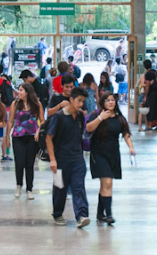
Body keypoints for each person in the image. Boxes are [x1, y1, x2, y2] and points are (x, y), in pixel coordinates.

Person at [85, 92, 135, 224]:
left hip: (112, 154)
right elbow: (88, 128)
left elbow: (126, 133)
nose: (111, 102)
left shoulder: (119, 118)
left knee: (104, 184)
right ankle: (109, 214)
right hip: (98, 154)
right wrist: (100, 118)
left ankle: (100, 213)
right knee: (107, 183)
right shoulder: (96, 115)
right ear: (102, 103)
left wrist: (131, 147)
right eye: (107, 100)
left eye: (112, 100)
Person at [46, 87, 90, 228]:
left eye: (83, 101)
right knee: (60, 188)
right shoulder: (58, 117)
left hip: (77, 158)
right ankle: (57, 213)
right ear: (71, 100)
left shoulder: (81, 116)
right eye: (79, 101)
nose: (81, 104)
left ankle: (81, 215)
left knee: (78, 187)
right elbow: (48, 138)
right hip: (60, 159)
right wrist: (52, 159)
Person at [7, 83, 44, 200]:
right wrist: (7, 136)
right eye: (19, 90)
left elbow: (42, 121)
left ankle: (29, 189)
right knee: (19, 162)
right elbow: (10, 121)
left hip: (32, 137)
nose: (19, 92)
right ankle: (18, 185)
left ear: (27, 92)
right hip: (18, 136)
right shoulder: (15, 104)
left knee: (30, 164)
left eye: (21, 90)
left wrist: (38, 131)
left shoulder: (37, 104)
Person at [143, 59, 157, 131]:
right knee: (156, 109)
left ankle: (149, 126)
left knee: (150, 109)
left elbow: (147, 86)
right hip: (156, 93)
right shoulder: (155, 72)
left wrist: (145, 96)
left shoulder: (148, 74)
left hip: (151, 94)